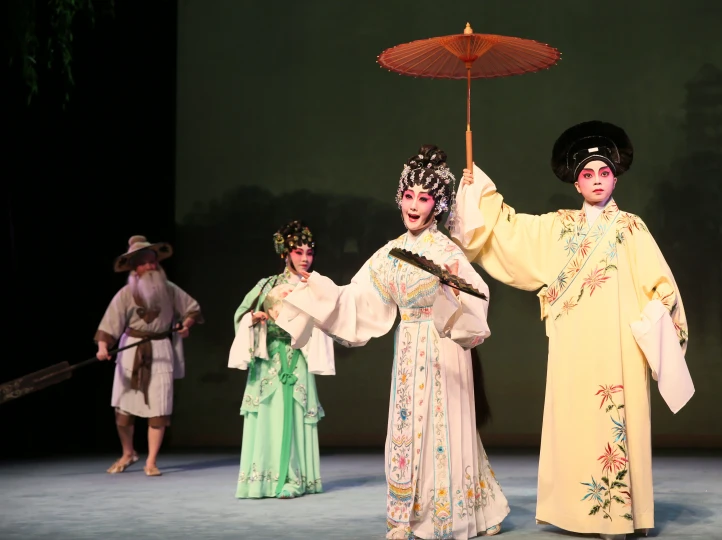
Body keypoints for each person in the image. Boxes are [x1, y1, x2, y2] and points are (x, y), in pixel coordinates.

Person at [450, 121, 693, 540]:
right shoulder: (557, 227)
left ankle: (618, 516)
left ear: (615, 177)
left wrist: (659, 307)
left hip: (618, 347)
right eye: (587, 174)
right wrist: (476, 190)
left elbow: (662, 283)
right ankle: (576, 513)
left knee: (612, 424)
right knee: (575, 423)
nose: (596, 181)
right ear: (576, 183)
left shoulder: (631, 228)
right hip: (573, 346)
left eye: (603, 173)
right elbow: (510, 232)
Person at [275, 146, 509, 539]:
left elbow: (476, 298)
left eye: (424, 197)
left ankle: (458, 513)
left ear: (437, 206)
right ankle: (406, 517)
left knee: (446, 429)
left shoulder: (446, 251)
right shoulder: (389, 255)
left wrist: (451, 292)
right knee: (406, 429)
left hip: (445, 346)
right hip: (409, 349)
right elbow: (354, 299)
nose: (414, 205)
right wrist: (309, 291)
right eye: (409, 195)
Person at [228, 220, 335, 499]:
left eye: (309, 253)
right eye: (299, 252)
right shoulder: (266, 286)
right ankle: (261, 480)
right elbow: (240, 315)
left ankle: (294, 479)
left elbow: (328, 320)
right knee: (268, 416)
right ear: (285, 254)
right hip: (269, 358)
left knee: (295, 414)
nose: (305, 258)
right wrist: (254, 318)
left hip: (298, 356)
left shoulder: (316, 286)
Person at [95, 235, 203, 477]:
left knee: (159, 406)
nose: (151, 266)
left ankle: (151, 460)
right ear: (134, 267)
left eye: (153, 261)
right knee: (124, 407)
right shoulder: (125, 294)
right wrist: (103, 346)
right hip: (131, 349)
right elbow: (110, 322)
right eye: (144, 262)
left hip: (161, 349)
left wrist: (185, 325)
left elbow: (192, 309)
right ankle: (128, 452)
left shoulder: (170, 290)